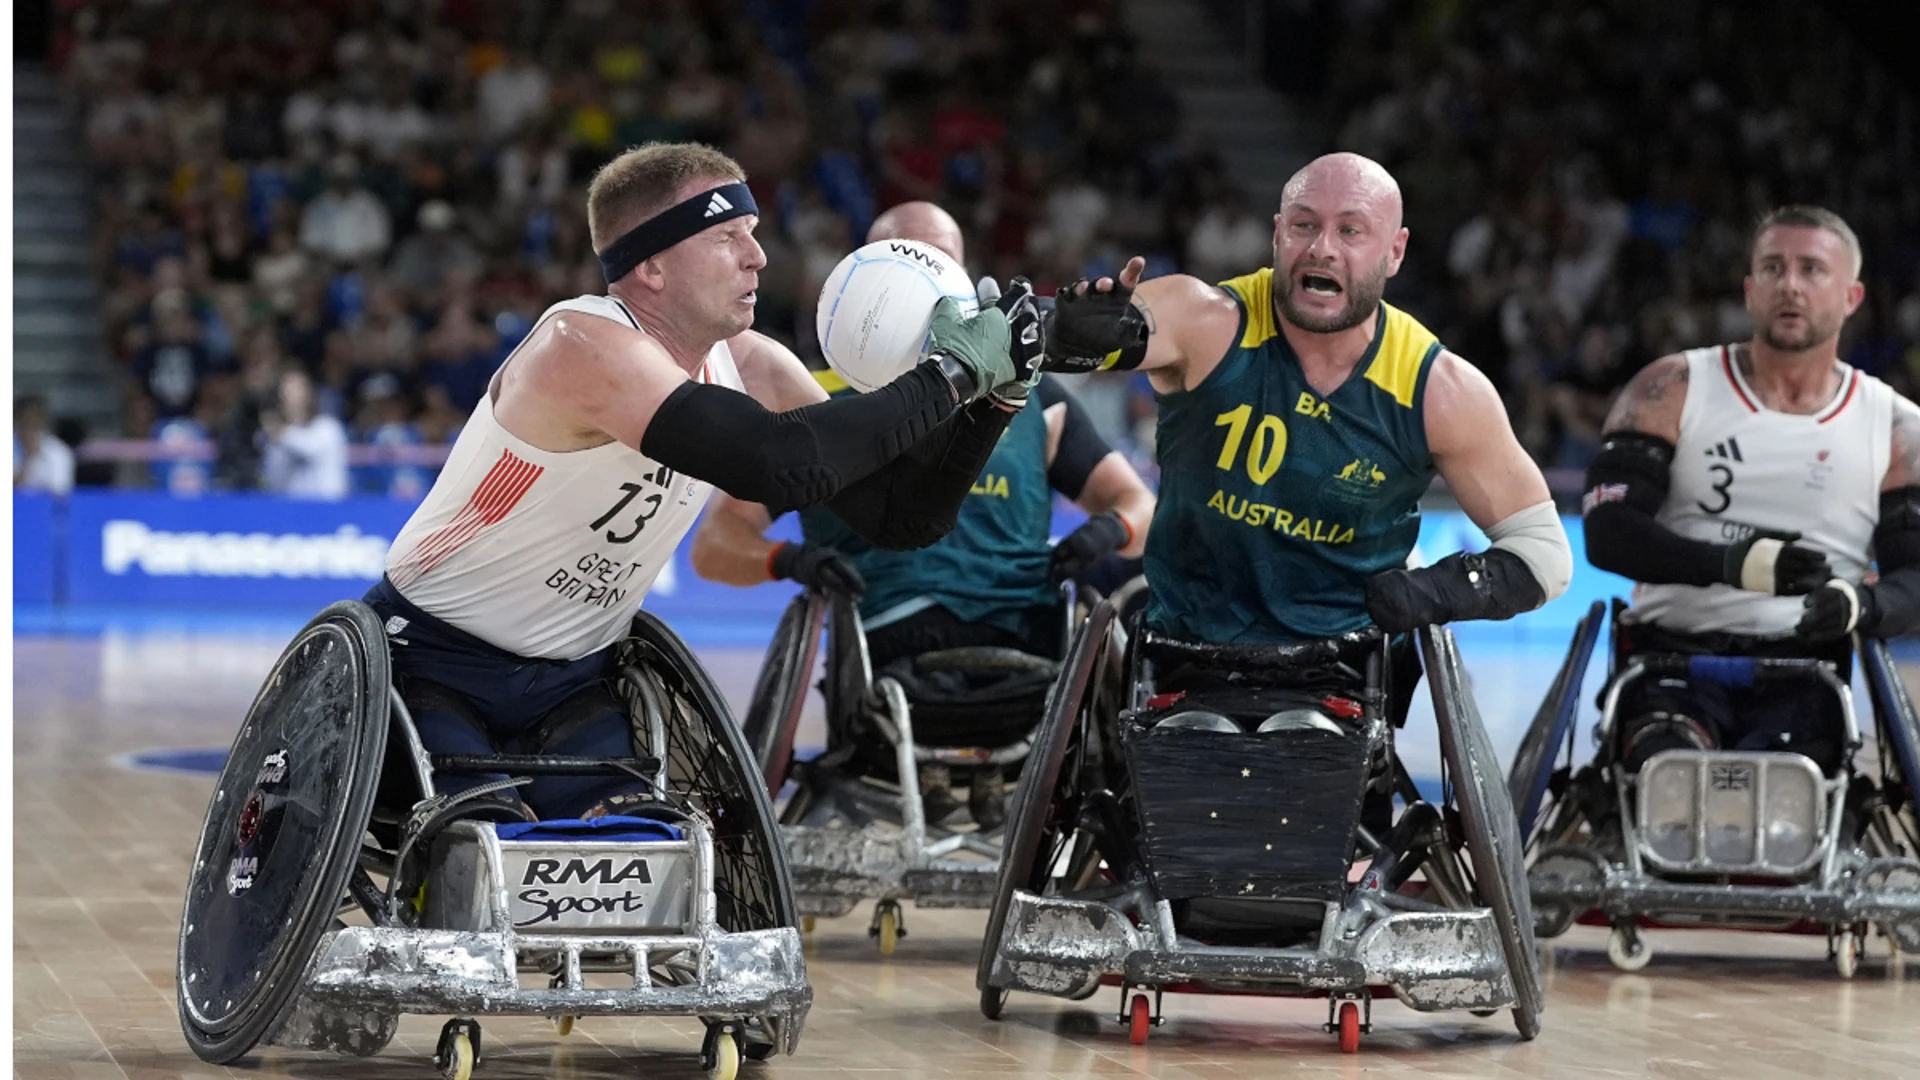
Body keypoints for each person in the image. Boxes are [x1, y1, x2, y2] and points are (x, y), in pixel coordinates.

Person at [366, 144, 1039, 822]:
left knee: (649, 868)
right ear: (652, 265)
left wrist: (995, 399)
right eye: (727, 238)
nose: (758, 257)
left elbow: (902, 518)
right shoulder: (578, 343)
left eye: (752, 235)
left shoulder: (757, 366)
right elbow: (780, 462)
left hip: (574, 685)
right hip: (429, 660)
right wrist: (952, 372)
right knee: (475, 860)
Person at [690, 201, 1156, 825]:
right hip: (888, 648)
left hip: (1030, 640)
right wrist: (793, 560)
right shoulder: (816, 401)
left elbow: (1139, 504)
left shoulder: (1036, 395)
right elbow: (715, 546)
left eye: (940, 265)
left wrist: (1107, 530)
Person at [1039, 152, 1571, 652]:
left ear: (1395, 252)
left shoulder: (1439, 388)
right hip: (1184, 650)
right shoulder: (1208, 317)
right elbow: (1127, 325)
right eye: (1304, 225)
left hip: (1347, 667)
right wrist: (1066, 330)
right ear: (1277, 235)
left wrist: (1432, 592)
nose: (1322, 247)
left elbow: (1544, 554)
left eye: (1351, 230)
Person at [1581, 205, 1920, 774]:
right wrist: (1737, 565)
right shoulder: (1671, 386)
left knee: (1784, 802)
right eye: (1773, 267)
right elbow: (1608, 533)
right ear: (1749, 289)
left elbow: (1915, 576)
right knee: (1674, 782)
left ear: (1852, 298)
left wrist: (1862, 603)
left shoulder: (1897, 427)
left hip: (1805, 667)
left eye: (1812, 269)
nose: (1790, 284)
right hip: (1670, 656)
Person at [260, 369, 351, 500]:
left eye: (295, 390)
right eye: (285, 391)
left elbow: (309, 448)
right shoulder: (277, 439)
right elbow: (273, 477)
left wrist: (278, 431)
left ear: (308, 394)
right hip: (291, 511)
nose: (290, 397)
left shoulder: (328, 427)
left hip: (327, 509)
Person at [13, 396, 76, 496]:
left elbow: (60, 493)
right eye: (25, 422)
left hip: (45, 509)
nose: (29, 430)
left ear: (43, 423)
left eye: (34, 423)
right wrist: (27, 459)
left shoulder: (59, 453)